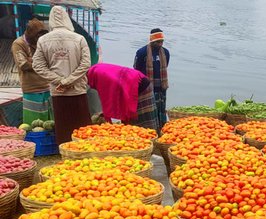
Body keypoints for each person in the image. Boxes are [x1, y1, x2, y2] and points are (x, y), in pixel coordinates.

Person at [32, 6, 91, 144]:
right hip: (77, 89)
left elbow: (37, 65)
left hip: (58, 90)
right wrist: (68, 81)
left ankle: (65, 152)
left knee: (63, 123)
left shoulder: (43, 40)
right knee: (82, 125)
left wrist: (59, 80)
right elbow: (86, 64)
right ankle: (84, 151)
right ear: (67, 19)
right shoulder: (79, 38)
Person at [87, 63, 159, 132]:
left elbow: (107, 98)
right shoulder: (96, 69)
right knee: (136, 123)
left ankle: (149, 138)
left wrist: (108, 120)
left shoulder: (98, 75)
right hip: (136, 81)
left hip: (139, 86)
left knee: (143, 119)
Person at [12, 18, 51, 124]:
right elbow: (23, 65)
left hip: (47, 86)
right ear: (30, 34)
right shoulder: (19, 44)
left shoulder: (42, 42)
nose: (39, 39)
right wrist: (41, 62)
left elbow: (50, 59)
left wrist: (33, 61)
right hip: (31, 89)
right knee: (33, 123)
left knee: (49, 122)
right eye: (37, 36)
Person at [134, 28, 170, 131]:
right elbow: (136, 70)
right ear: (152, 41)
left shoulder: (166, 53)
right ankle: (150, 129)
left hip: (161, 87)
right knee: (149, 111)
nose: (160, 44)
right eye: (158, 42)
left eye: (161, 42)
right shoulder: (142, 52)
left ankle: (161, 128)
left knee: (161, 109)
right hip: (147, 87)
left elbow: (165, 66)